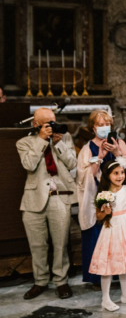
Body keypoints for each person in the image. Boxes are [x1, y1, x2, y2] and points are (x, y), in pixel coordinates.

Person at [76, 110, 126, 289]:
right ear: (93, 127)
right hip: (101, 198)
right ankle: (98, 277)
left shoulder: (120, 143)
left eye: (107, 124)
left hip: (122, 199)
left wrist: (117, 153)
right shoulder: (87, 148)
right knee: (99, 237)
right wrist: (99, 157)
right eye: (100, 125)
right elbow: (85, 178)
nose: (104, 127)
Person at [16, 107, 77, 300]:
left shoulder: (65, 138)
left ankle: (61, 281)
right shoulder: (24, 142)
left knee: (60, 243)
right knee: (37, 245)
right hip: (34, 199)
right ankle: (40, 281)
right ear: (36, 125)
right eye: (47, 123)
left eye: (53, 121)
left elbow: (72, 163)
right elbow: (29, 165)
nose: (52, 125)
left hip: (60, 195)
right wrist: (42, 140)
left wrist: (58, 145)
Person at [89, 161, 126, 312]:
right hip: (112, 229)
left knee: (125, 261)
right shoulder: (104, 193)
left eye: (122, 172)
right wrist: (106, 213)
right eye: (115, 173)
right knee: (109, 264)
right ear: (108, 175)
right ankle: (105, 299)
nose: (120, 176)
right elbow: (98, 216)